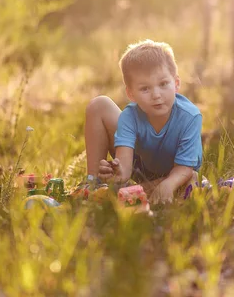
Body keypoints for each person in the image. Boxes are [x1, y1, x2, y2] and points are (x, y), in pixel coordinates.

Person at [84, 39, 203, 203]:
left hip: (176, 173)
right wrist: (115, 172)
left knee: (189, 178)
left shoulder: (190, 117)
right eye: (145, 88)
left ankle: (151, 190)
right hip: (140, 169)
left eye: (163, 84)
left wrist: (168, 184)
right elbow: (125, 168)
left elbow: (185, 168)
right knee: (99, 104)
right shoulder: (129, 116)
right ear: (131, 94)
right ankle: (92, 186)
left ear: (176, 84)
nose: (156, 94)